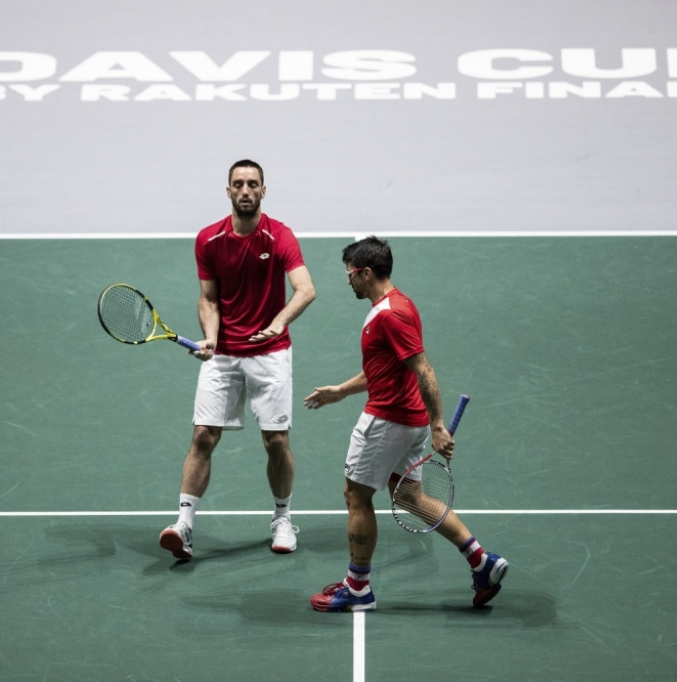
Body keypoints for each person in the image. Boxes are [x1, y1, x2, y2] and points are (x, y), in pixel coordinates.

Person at [304, 236, 507, 611]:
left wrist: (439, 426)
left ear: (366, 272)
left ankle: (358, 589)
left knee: (357, 496)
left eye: (350, 274)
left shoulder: (390, 314)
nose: (348, 281)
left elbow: (423, 369)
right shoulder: (399, 305)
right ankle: (481, 561)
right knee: (410, 495)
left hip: (388, 421)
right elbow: (384, 368)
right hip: (407, 419)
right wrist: (342, 391)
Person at [159, 159, 316, 560]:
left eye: (253, 184)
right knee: (202, 437)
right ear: (227, 191)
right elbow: (209, 298)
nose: (245, 190)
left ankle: (282, 519)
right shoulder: (208, 240)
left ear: (264, 191)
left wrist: (279, 322)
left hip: (270, 354)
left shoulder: (279, 236)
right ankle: (184, 525)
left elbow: (305, 289)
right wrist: (211, 338)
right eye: (238, 184)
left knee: (276, 442)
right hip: (224, 355)